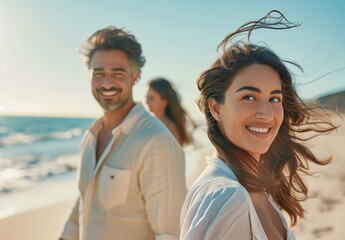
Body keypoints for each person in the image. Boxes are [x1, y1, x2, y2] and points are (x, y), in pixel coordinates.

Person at [180, 10, 339, 240]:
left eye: (274, 99)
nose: (266, 113)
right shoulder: (228, 197)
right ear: (216, 108)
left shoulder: (254, 184)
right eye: (249, 97)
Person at [59, 26, 187, 240]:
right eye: (98, 73)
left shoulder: (157, 142)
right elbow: (84, 202)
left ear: (135, 76)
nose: (107, 83)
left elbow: (170, 235)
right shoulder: (90, 137)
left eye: (117, 73)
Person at [146, 77, 196, 146]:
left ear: (165, 101)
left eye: (151, 98)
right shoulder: (151, 123)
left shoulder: (169, 128)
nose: (147, 101)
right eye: (146, 97)